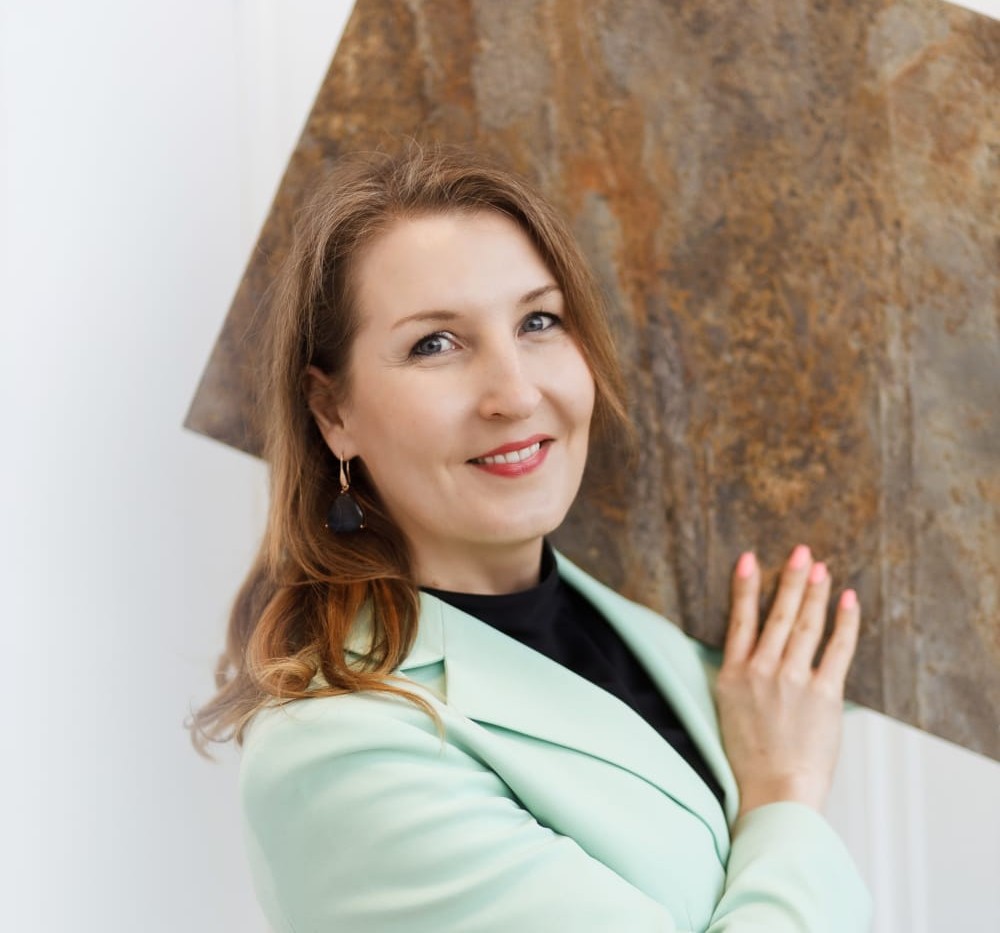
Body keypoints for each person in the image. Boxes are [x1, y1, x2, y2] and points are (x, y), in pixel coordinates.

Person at [191, 143, 871, 932]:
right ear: (332, 411)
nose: (515, 393)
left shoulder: (652, 626)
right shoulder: (339, 750)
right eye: (434, 343)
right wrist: (786, 791)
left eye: (538, 321)